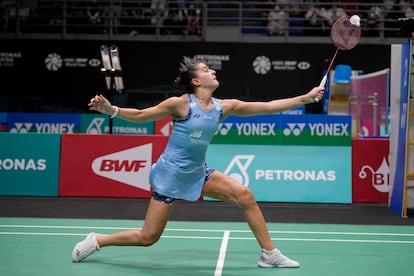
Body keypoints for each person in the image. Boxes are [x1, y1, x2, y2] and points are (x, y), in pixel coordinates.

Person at [72, 60, 325, 269]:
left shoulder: (223, 107)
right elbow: (141, 116)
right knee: (148, 237)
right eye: (206, 70)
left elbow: (268, 107)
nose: (212, 71)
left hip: (197, 172)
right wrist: (111, 110)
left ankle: (269, 253)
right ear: (195, 81)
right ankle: (98, 241)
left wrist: (305, 98)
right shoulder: (180, 104)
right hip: (170, 175)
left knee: (245, 196)